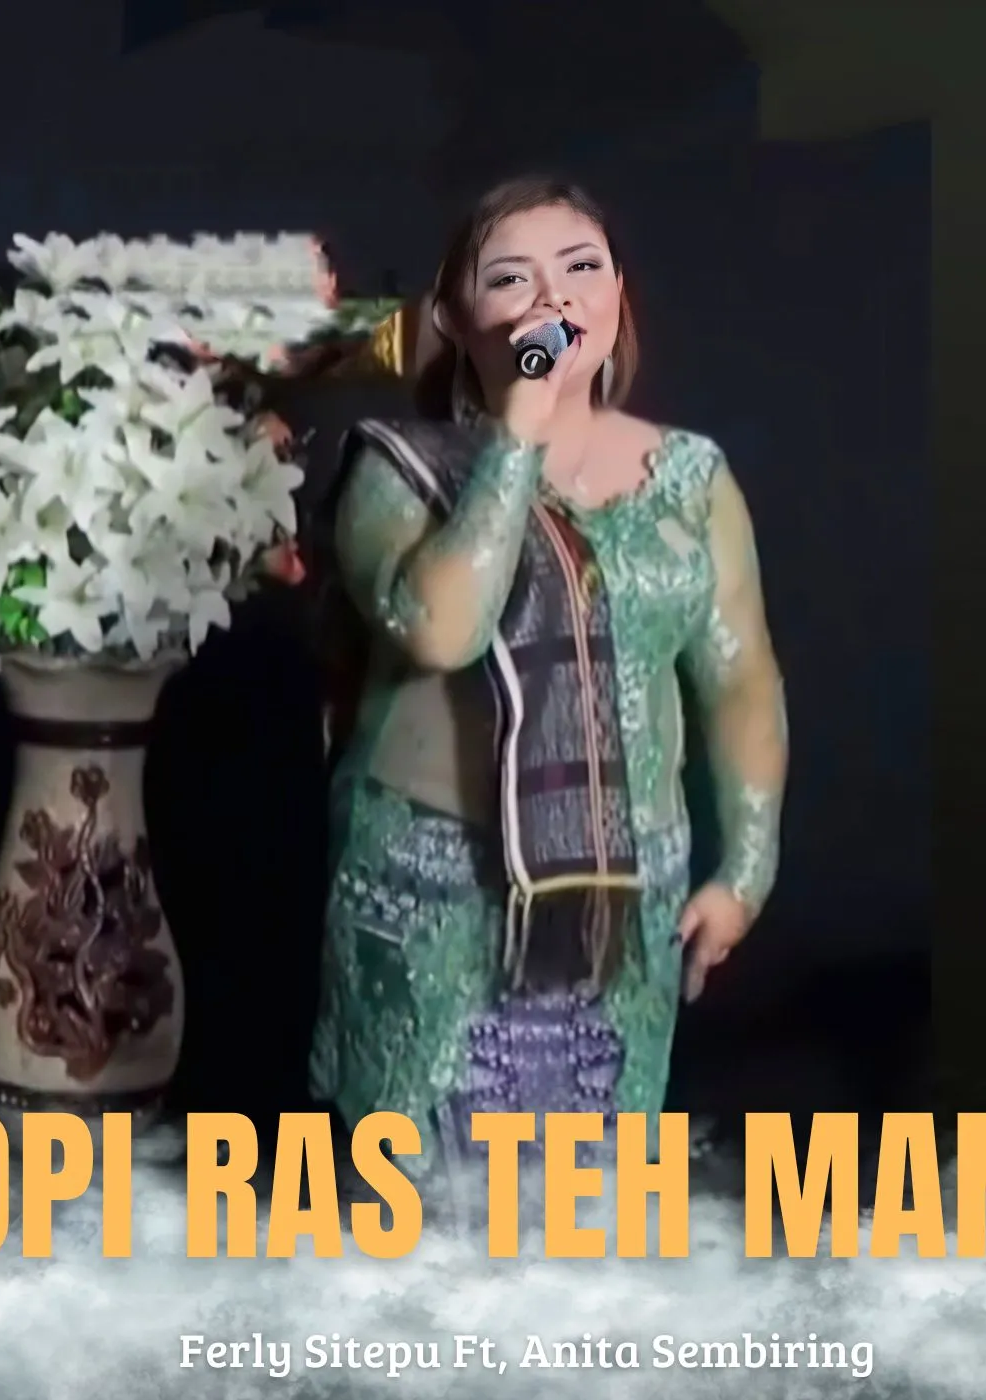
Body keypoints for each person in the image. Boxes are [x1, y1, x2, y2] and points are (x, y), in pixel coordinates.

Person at [308, 176, 788, 1181]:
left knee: (586, 1212)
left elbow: (738, 675)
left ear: (618, 295)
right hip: (436, 903)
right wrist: (516, 434)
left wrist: (745, 867)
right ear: (454, 318)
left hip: (624, 902)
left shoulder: (690, 479)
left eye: (580, 269)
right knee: (420, 1211)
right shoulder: (394, 470)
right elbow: (444, 628)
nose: (553, 298)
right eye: (510, 278)